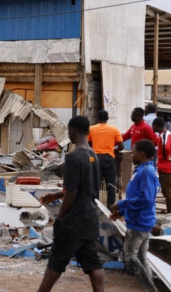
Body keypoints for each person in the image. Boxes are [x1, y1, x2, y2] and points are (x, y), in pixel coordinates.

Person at [37, 116, 104, 292]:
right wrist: (57, 194)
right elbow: (86, 189)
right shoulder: (93, 156)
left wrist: (60, 217)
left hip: (73, 222)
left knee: (55, 264)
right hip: (89, 219)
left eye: (69, 131)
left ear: (73, 130)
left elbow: (73, 192)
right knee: (93, 264)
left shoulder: (74, 156)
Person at [111, 140, 159, 292]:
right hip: (139, 220)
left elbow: (146, 199)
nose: (132, 154)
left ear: (142, 154)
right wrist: (122, 212)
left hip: (140, 222)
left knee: (131, 257)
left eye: (134, 151)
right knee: (142, 257)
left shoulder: (146, 172)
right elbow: (138, 196)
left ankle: (150, 288)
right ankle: (149, 287)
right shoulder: (142, 170)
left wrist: (122, 205)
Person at [88, 110, 124, 208]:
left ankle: (95, 206)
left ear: (97, 118)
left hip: (96, 159)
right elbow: (121, 145)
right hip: (109, 158)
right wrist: (115, 151)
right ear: (107, 119)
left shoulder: (91, 129)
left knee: (96, 185)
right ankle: (110, 207)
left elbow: (89, 143)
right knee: (111, 185)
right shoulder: (114, 129)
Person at [152, 117, 171, 213]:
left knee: (168, 191)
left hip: (166, 166)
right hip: (166, 165)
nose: (152, 127)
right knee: (166, 190)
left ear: (156, 126)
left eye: (153, 126)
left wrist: (164, 158)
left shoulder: (164, 135)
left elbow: (166, 148)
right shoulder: (164, 135)